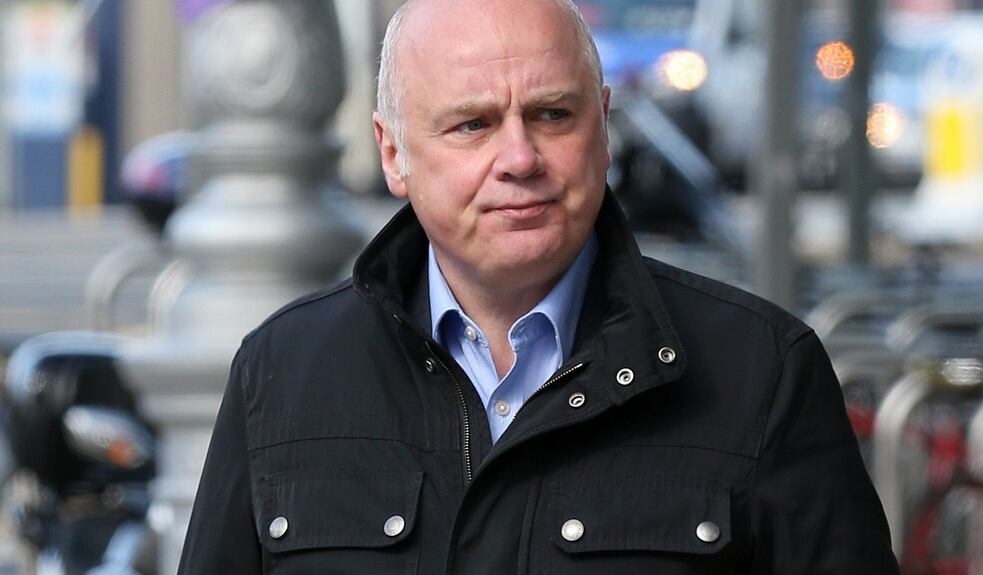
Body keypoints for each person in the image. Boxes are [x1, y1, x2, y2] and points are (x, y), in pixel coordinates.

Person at [177, 0, 901, 573]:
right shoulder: (282, 371)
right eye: (472, 124)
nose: (519, 157)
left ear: (605, 126)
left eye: (553, 114)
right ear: (393, 153)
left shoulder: (761, 372)